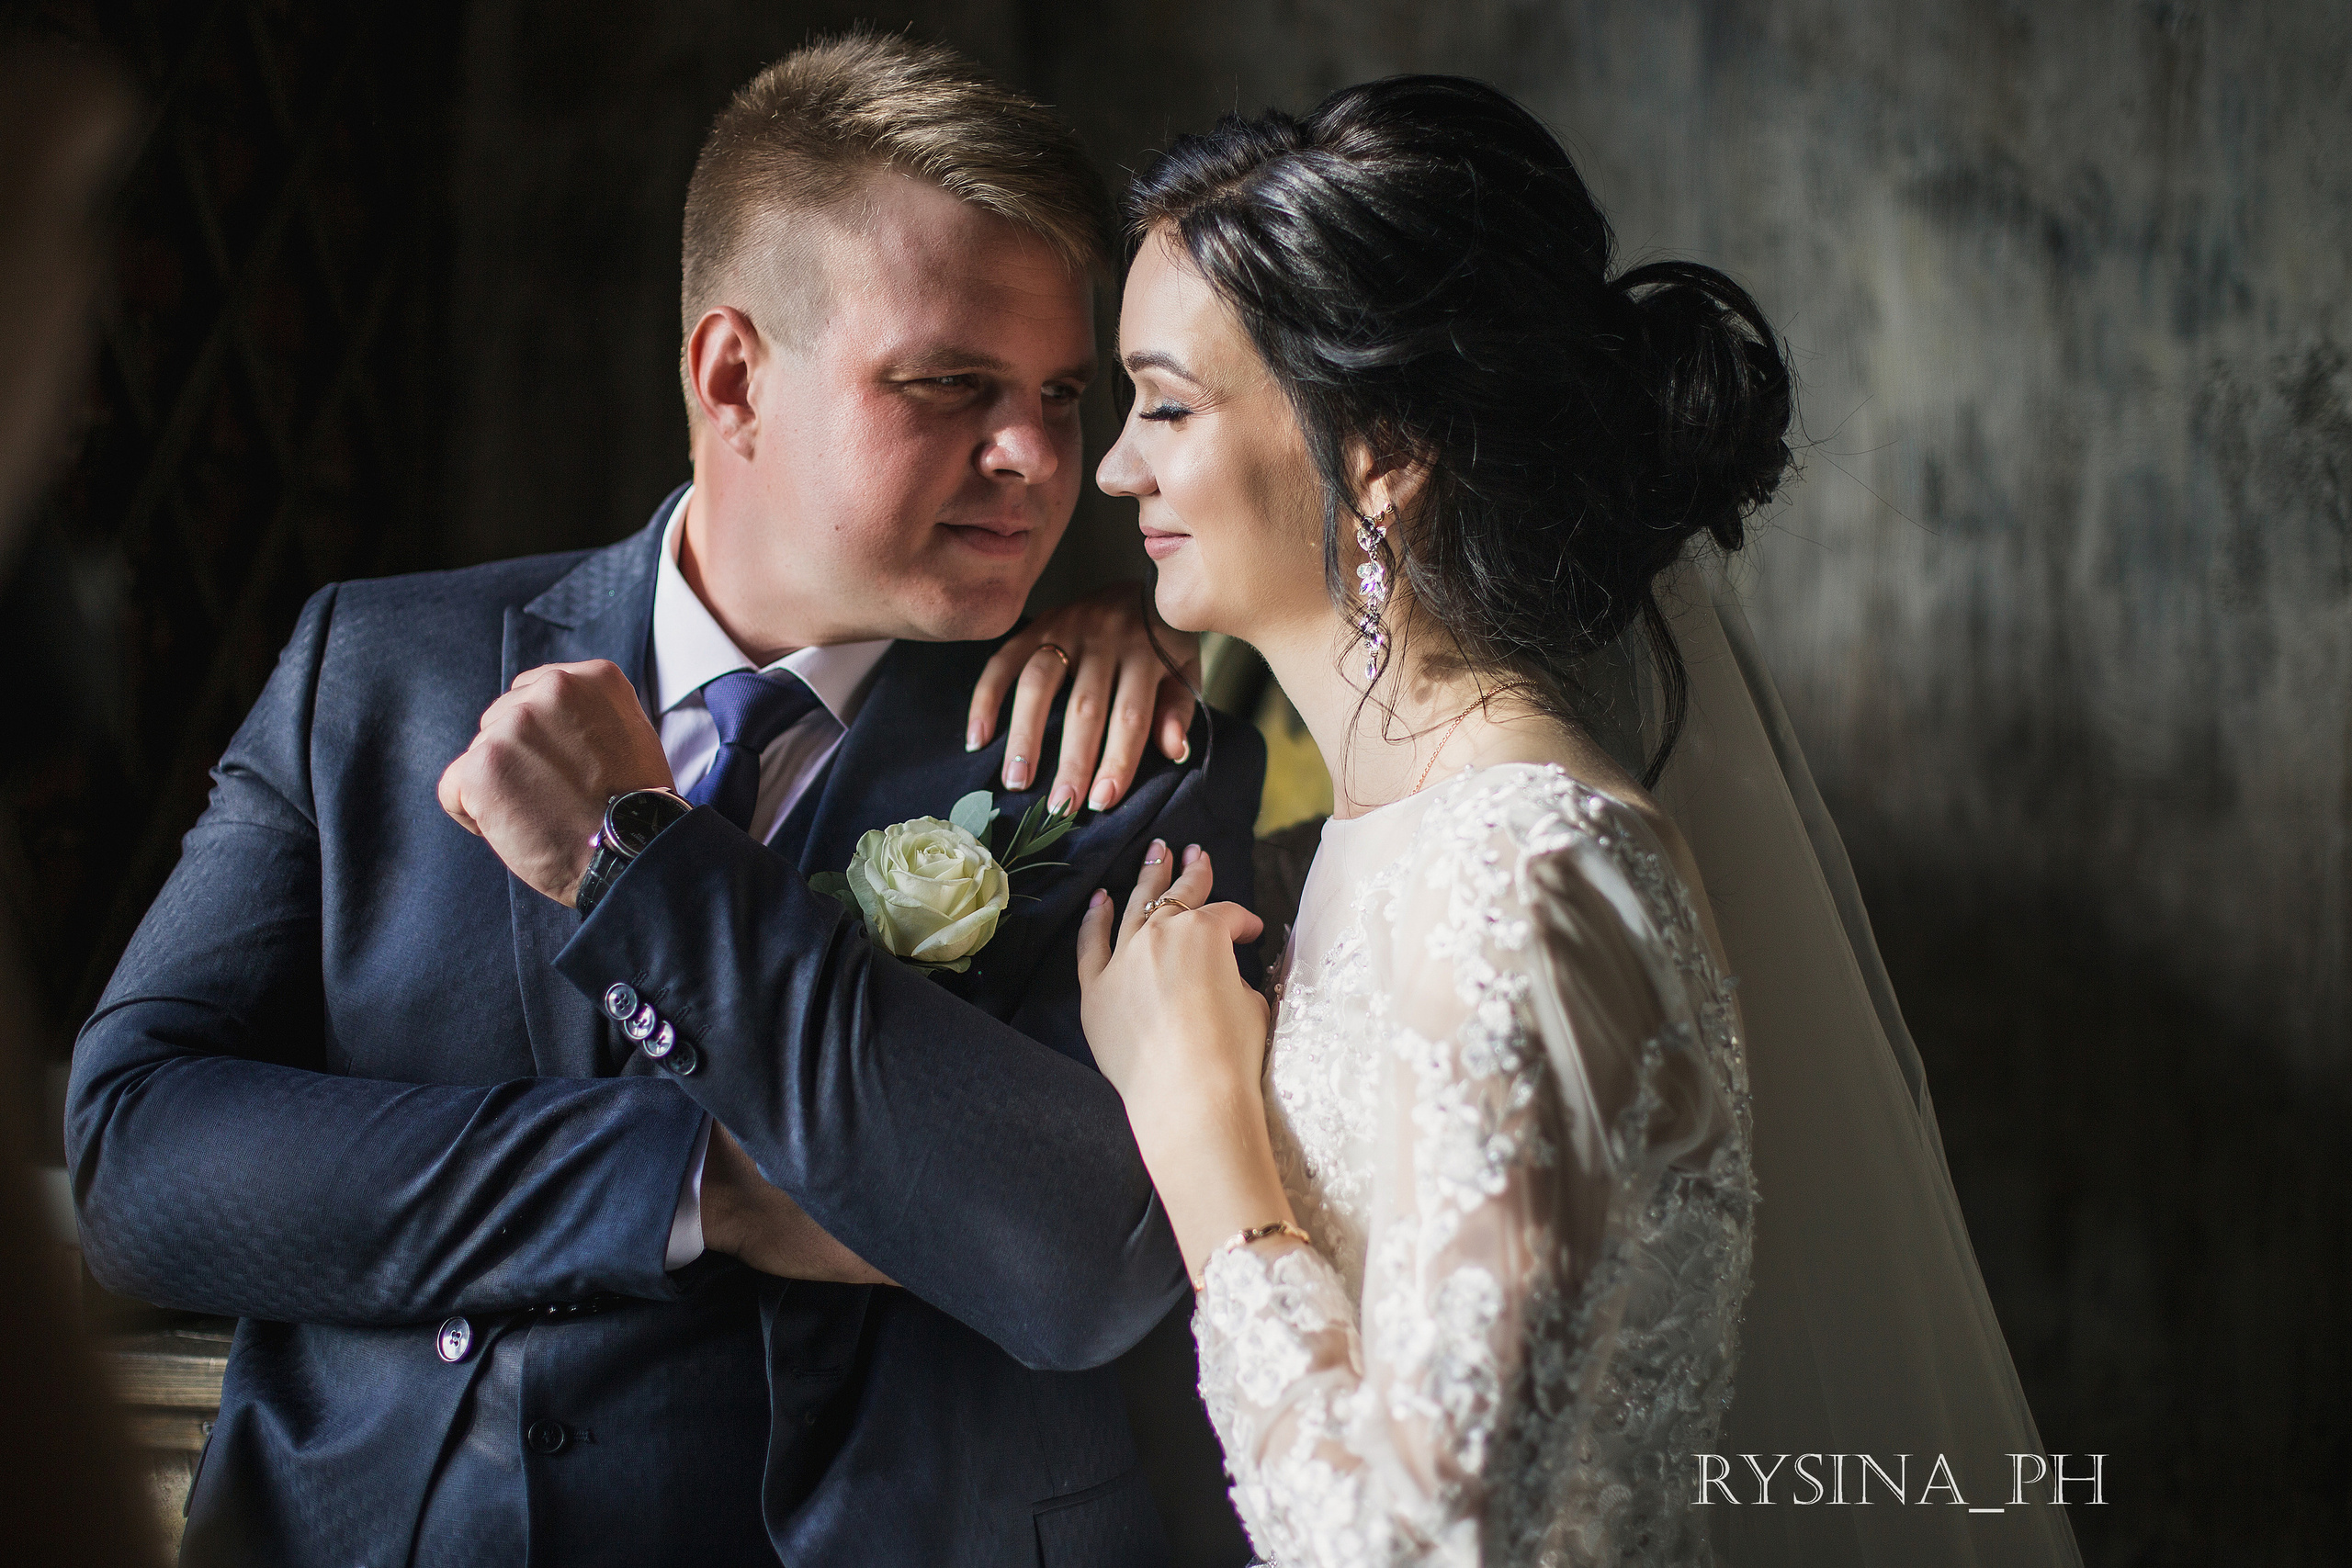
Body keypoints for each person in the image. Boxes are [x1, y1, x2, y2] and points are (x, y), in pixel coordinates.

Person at [68, 35, 1261, 1567]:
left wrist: (645, 859)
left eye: (1061, 391)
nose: (1041, 456)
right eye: (950, 383)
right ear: (732, 375)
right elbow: (136, 1156)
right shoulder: (372, 669)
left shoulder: (1116, 755)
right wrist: (701, 1184)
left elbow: (1075, 1254)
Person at [1069, 76, 2081, 1567]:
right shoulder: (1391, 831)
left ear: (1382, 448)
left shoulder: (1533, 878)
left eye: (1164, 404)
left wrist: (1206, 1145)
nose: (1114, 466)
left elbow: (1432, 1548)